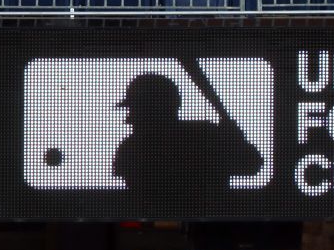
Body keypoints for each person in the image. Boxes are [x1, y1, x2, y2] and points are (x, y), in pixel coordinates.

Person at [112, 73, 262, 199]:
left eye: (135, 108)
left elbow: (250, 165)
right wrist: (235, 141)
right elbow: (250, 165)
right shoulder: (206, 135)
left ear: (152, 109)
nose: (129, 117)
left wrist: (234, 141)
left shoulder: (132, 148)